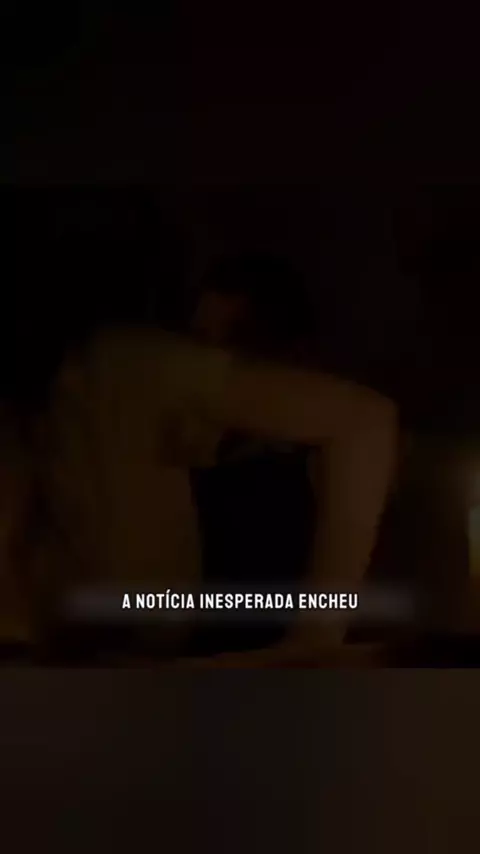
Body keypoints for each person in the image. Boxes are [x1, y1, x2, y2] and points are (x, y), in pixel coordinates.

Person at [189, 254, 318, 656]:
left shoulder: (309, 478)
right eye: (198, 345)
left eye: (235, 344)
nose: (209, 365)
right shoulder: (186, 466)